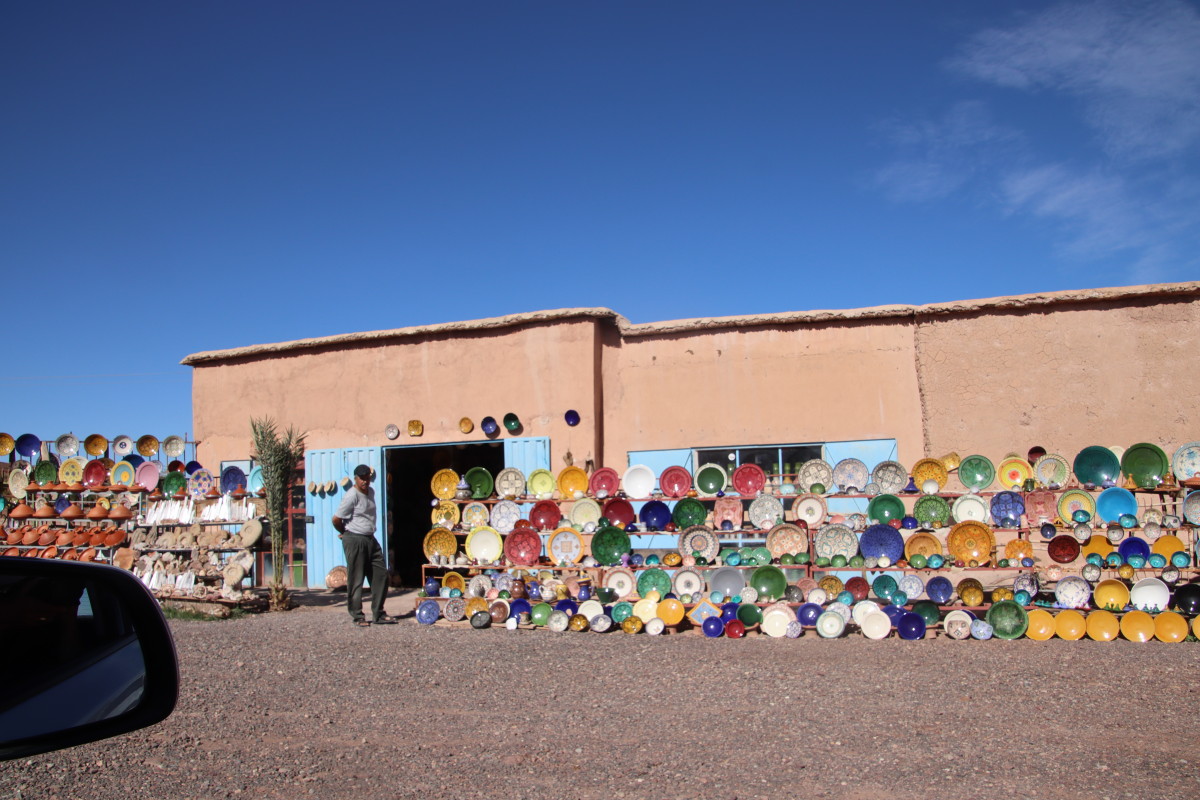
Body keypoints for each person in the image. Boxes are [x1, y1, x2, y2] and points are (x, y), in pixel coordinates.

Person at [332, 464, 395, 626]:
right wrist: (345, 533)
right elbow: (336, 519)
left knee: (381, 574)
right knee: (356, 578)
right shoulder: (351, 495)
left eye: (367, 478)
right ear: (355, 479)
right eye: (361, 478)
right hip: (355, 539)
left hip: (370, 538)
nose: (365, 481)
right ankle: (358, 616)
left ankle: (378, 613)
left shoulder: (371, 492)